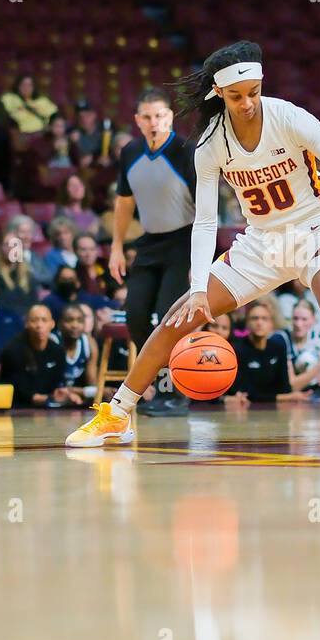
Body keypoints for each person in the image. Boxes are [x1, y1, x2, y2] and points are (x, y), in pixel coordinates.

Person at [66, 40, 320, 446]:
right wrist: (199, 288)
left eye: (253, 92)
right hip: (259, 243)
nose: (248, 102)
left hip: (314, 230)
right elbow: (204, 221)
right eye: (236, 96)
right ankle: (117, 413)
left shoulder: (287, 115)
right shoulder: (210, 143)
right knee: (177, 318)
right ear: (219, 93)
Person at [106, 87, 198, 416]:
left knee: (169, 316)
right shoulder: (130, 152)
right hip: (148, 242)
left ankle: (176, 393)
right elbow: (124, 201)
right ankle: (161, 385)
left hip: (184, 241)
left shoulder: (186, 150)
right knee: (135, 315)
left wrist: (198, 259)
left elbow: (206, 206)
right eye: (147, 117)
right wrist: (117, 246)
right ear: (137, 121)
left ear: (171, 117)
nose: (154, 122)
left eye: (160, 116)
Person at [0, 304, 75, 407]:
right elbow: (14, 388)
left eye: (44, 320)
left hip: (51, 408)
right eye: (34, 320)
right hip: (19, 408)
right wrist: (46, 399)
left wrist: (63, 394)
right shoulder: (13, 350)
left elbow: (59, 383)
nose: (39, 325)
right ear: (26, 323)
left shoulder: (58, 351)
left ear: (52, 324)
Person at [227, 299, 299, 405]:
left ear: (271, 324)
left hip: (277, 410)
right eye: (254, 318)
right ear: (247, 323)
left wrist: (284, 397)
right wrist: (283, 397)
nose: (259, 323)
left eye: (264, 319)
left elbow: (285, 388)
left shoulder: (279, 347)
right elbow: (245, 393)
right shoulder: (237, 349)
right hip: (247, 410)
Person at [286, 298, 320, 399]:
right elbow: (292, 386)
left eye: (304, 319)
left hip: (317, 397)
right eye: (295, 318)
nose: (299, 324)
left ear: (313, 320)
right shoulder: (284, 340)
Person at [55, 302, 97, 397]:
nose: (75, 325)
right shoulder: (52, 342)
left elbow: (92, 385)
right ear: (60, 323)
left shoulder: (89, 343)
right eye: (69, 320)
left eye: (80, 321)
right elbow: (48, 388)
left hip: (76, 400)